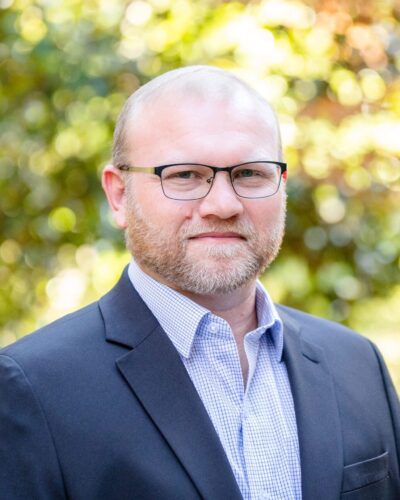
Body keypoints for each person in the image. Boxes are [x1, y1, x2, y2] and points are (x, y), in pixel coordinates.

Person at [0, 66, 399, 500]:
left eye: (249, 173)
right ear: (119, 196)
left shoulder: (359, 365)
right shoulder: (32, 390)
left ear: (281, 185)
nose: (223, 204)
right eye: (184, 175)